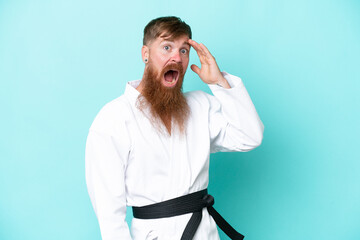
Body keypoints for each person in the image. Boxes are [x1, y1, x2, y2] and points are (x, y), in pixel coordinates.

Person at [85, 16, 264, 240]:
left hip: (204, 232)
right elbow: (108, 212)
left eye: (183, 50)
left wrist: (218, 82)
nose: (176, 58)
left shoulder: (200, 105)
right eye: (167, 47)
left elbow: (249, 136)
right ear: (145, 54)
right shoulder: (114, 118)